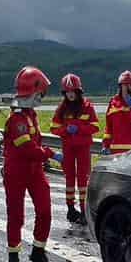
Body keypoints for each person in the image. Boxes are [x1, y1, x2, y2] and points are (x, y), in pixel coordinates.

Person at [3, 66, 57, 262]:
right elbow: (27, 149)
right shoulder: (16, 120)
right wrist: (51, 154)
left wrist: (44, 156)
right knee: (16, 216)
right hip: (16, 173)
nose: (42, 98)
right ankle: (13, 256)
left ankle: (38, 250)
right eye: (41, 94)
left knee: (45, 211)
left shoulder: (30, 115)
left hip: (35, 172)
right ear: (33, 91)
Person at [50, 73, 100, 224]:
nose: (70, 94)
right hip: (68, 148)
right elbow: (53, 128)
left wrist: (78, 128)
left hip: (83, 147)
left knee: (83, 178)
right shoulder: (62, 108)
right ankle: (71, 209)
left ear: (78, 91)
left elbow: (95, 127)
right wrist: (65, 130)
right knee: (70, 178)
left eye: (72, 91)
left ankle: (84, 211)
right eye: (67, 92)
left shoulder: (88, 107)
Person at [102, 70, 131, 155]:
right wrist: (106, 144)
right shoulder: (113, 102)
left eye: (130, 85)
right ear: (120, 86)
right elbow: (109, 127)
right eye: (124, 85)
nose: (127, 88)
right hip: (115, 149)